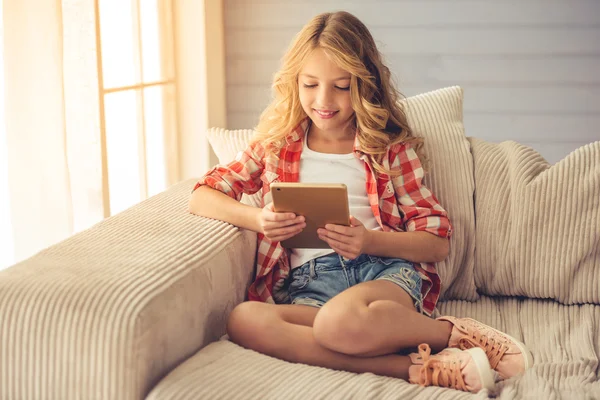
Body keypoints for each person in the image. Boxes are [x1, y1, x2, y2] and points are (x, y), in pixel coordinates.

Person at [189, 11, 532, 393]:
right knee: (243, 320)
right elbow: (202, 196)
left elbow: (436, 240)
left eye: (340, 86)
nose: (323, 100)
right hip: (309, 287)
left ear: (363, 84)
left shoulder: (388, 149)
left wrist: (369, 241)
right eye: (310, 84)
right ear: (294, 83)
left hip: (381, 275)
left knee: (337, 324)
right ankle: (414, 368)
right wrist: (258, 220)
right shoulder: (275, 146)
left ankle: (450, 332)